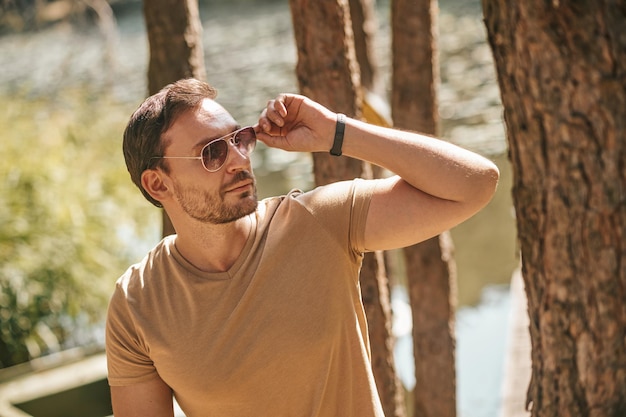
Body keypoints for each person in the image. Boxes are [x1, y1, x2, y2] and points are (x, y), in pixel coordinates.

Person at [105, 78, 499, 417]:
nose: (240, 159)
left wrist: (336, 132)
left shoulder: (319, 221)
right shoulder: (137, 303)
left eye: (240, 139)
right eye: (213, 152)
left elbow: (475, 184)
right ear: (158, 184)